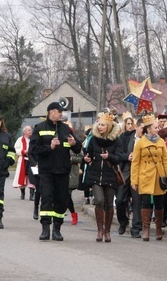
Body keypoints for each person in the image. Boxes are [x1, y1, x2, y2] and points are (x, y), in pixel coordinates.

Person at [29, 102, 82, 241]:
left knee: (61, 200)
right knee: (46, 199)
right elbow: (33, 150)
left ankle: (57, 229)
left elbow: (78, 148)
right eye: (59, 111)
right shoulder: (39, 128)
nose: (61, 114)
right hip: (46, 171)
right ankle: (45, 229)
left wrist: (74, 144)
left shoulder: (66, 129)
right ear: (51, 112)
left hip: (63, 172)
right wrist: (50, 147)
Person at [130, 113, 167, 241]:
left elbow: (166, 161)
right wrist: (134, 180)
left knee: (159, 203)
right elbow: (135, 163)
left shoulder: (161, 142)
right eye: (156, 127)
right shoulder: (140, 143)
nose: (158, 128)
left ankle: (159, 228)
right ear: (148, 129)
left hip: (159, 176)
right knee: (145, 202)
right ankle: (146, 229)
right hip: (145, 176)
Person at [83, 111, 121, 243]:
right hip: (95, 175)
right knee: (99, 200)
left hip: (110, 175)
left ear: (109, 126)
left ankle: (107, 231)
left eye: (103, 125)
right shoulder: (93, 139)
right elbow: (87, 154)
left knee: (109, 203)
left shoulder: (116, 141)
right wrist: (86, 159)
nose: (100, 127)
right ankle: (99, 230)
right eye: (99, 125)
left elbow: (119, 157)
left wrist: (109, 156)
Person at [115, 112, 138, 236]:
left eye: (131, 123)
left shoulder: (137, 136)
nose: (129, 126)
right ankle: (123, 221)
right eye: (127, 124)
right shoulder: (122, 137)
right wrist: (126, 157)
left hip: (135, 173)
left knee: (136, 201)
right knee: (119, 200)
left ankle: (135, 227)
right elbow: (118, 154)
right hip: (124, 172)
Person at [12, 125, 33, 200]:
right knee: (23, 177)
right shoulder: (20, 140)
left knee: (32, 177)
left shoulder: (33, 140)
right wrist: (23, 151)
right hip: (23, 160)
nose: (30, 131)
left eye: (31, 130)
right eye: (29, 130)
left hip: (32, 160)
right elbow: (16, 149)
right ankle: (22, 193)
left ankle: (31, 195)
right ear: (25, 132)